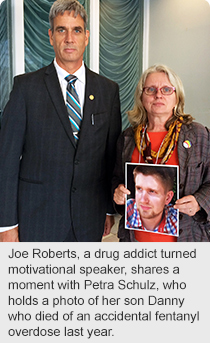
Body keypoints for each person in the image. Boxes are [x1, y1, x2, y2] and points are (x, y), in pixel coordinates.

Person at [0, 0, 121, 242]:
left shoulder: (108, 90)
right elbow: (7, 160)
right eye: (61, 30)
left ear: (86, 37)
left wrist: (108, 209)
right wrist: (6, 225)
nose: (69, 38)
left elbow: (111, 157)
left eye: (76, 30)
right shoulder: (25, 88)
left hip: (89, 217)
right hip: (37, 218)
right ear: (50, 36)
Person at [113, 64, 210, 242]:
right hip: (135, 240)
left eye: (166, 89)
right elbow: (116, 178)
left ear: (177, 98)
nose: (158, 95)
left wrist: (199, 202)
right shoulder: (128, 137)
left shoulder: (198, 135)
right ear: (142, 97)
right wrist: (117, 192)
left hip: (186, 240)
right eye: (150, 89)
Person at [126, 165, 178, 237]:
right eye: (139, 188)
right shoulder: (128, 209)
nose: (143, 200)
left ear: (168, 198)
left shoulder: (177, 218)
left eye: (152, 191)